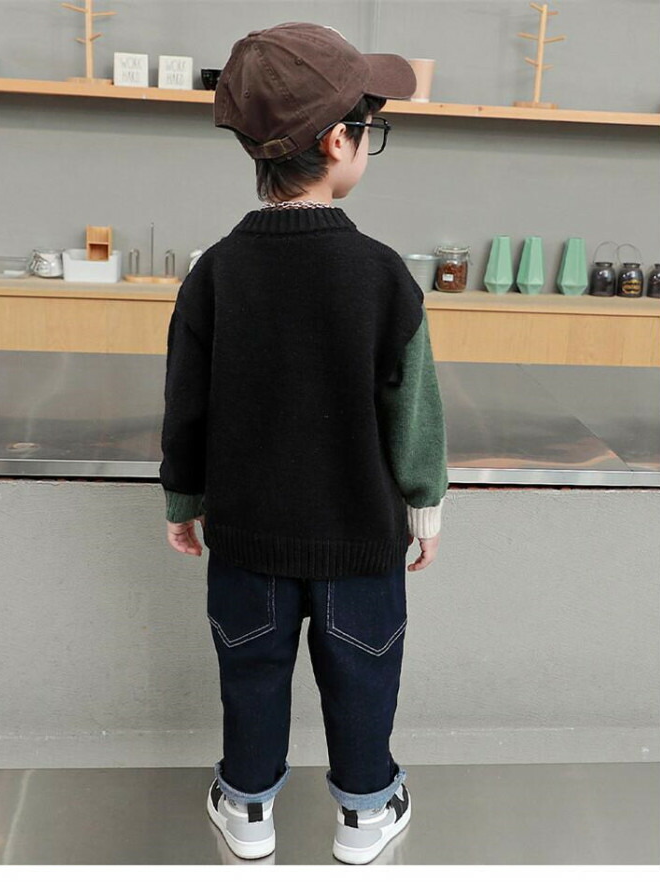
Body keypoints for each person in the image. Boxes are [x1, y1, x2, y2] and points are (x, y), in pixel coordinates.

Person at [158, 21, 448, 865]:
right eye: (370, 128)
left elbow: (186, 400)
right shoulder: (382, 274)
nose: (368, 142)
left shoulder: (215, 271)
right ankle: (365, 814)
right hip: (359, 537)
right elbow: (413, 406)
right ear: (336, 142)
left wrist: (184, 499)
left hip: (247, 537)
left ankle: (248, 809)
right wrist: (425, 506)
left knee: (250, 674)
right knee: (364, 676)